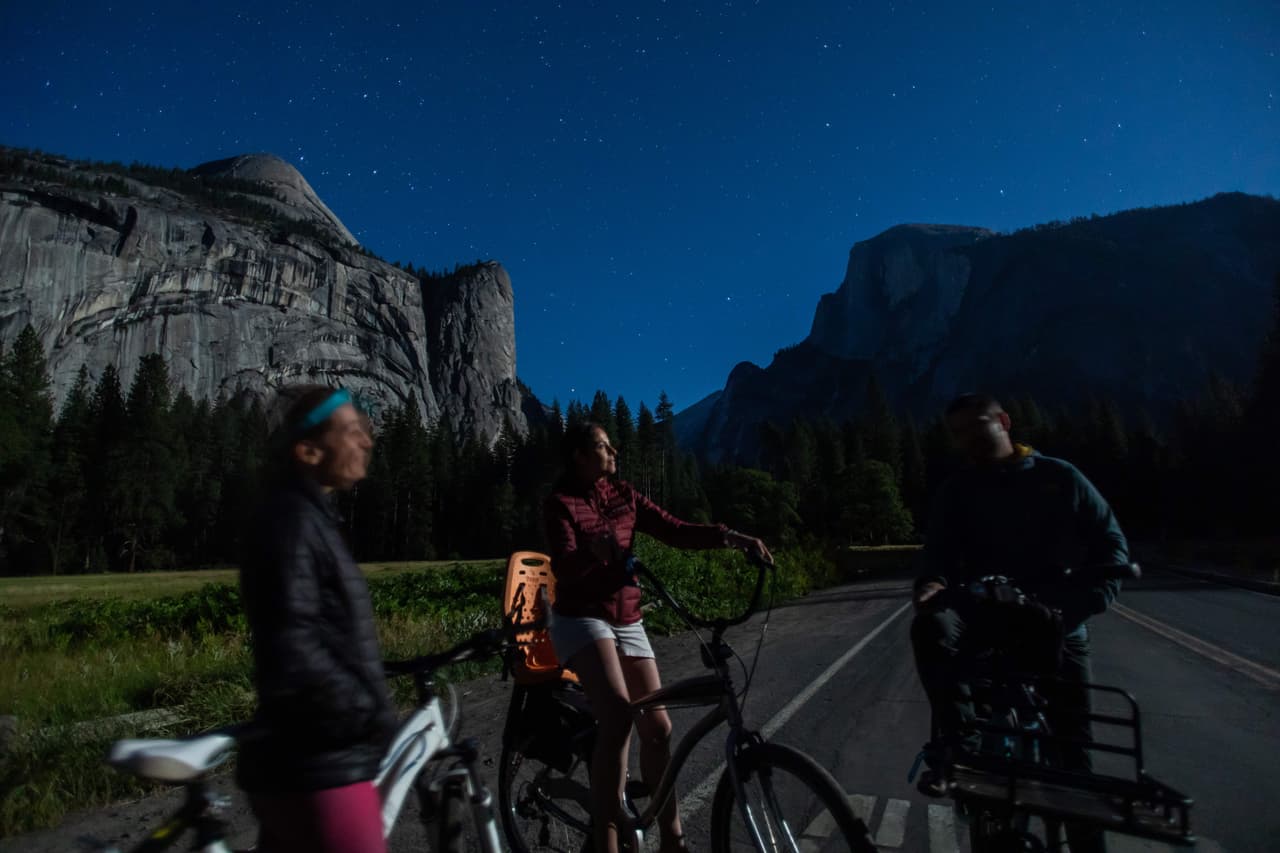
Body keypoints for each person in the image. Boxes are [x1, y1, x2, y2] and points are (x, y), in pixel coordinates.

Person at [911, 393, 1128, 853]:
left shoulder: (1059, 477)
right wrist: (931, 585)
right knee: (931, 629)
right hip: (984, 624)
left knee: (1073, 765)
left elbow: (1112, 547)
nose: (967, 440)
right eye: (957, 433)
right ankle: (962, 748)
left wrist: (1078, 606)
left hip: (1056, 626)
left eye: (976, 426)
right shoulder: (957, 491)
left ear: (1004, 421)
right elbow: (937, 557)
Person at [544, 421, 772, 853]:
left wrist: (730, 537)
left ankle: (672, 840)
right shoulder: (561, 504)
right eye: (604, 446)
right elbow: (564, 567)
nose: (614, 452)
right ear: (580, 456)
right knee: (617, 717)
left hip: (626, 616)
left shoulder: (624, 496)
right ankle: (606, 840)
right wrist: (591, 553)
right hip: (583, 617)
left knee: (658, 728)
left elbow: (675, 529)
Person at [237, 385, 395, 853]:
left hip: (303, 757)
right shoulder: (294, 521)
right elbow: (292, 646)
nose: (366, 440)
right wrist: (367, 709)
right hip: (321, 764)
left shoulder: (306, 515)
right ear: (308, 450)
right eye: (351, 431)